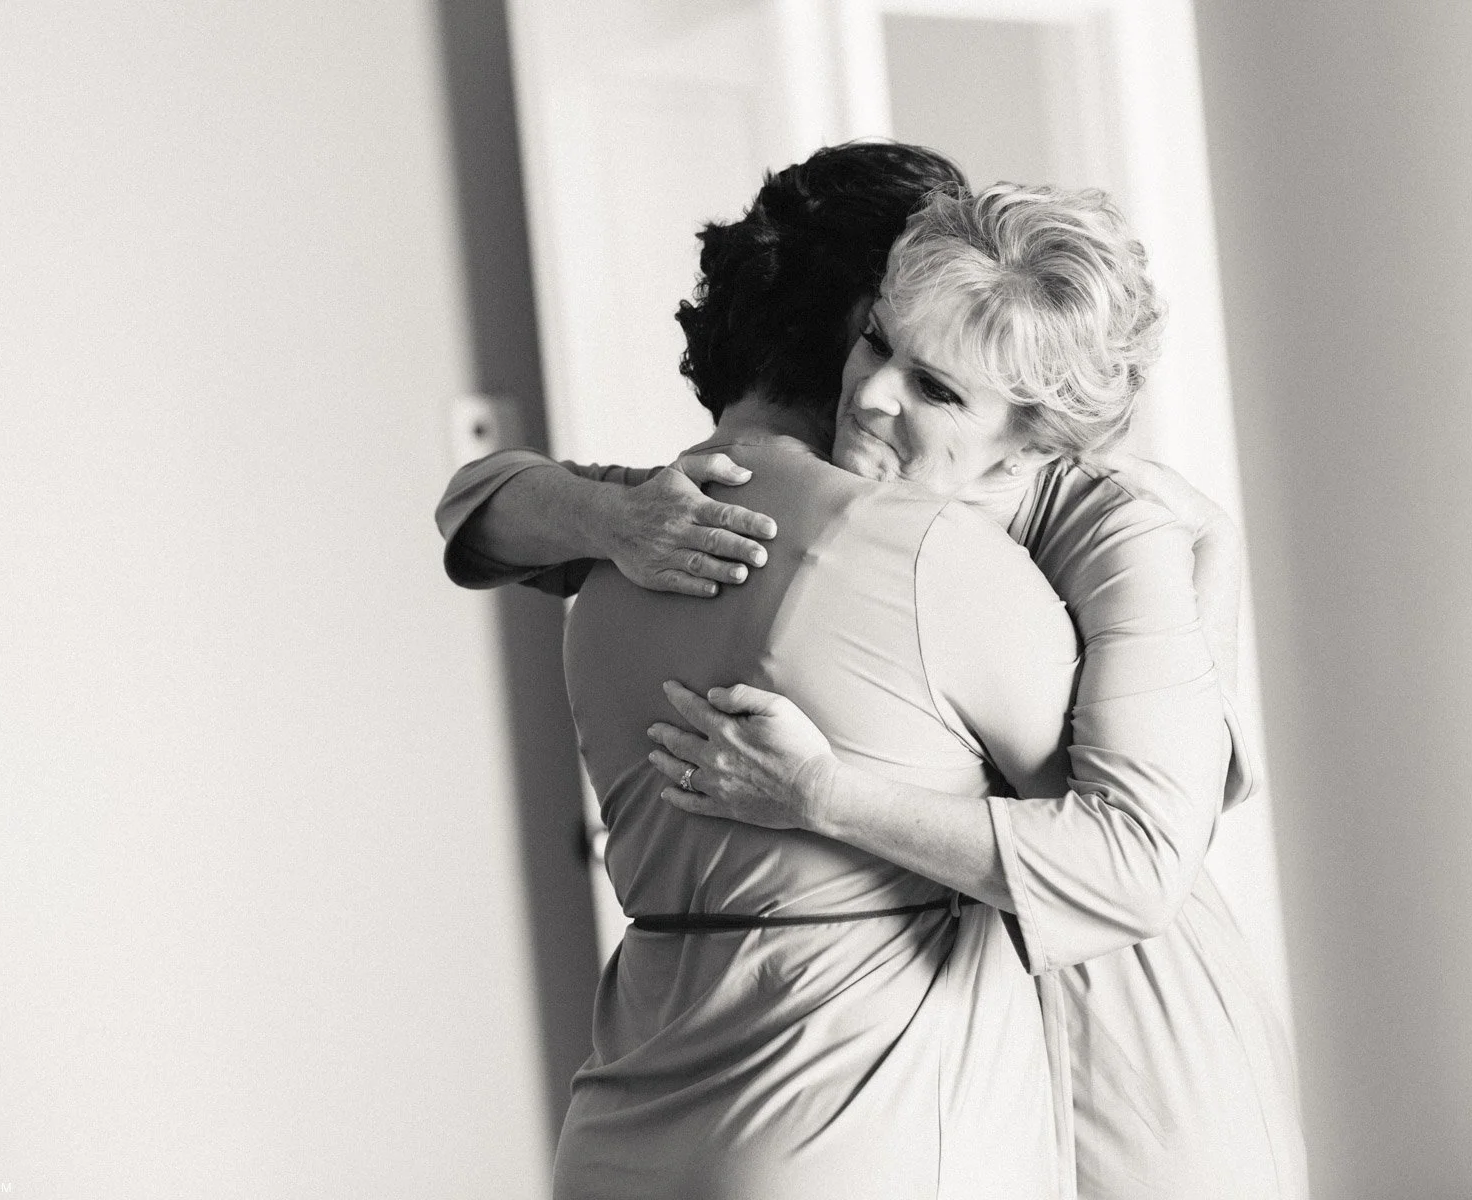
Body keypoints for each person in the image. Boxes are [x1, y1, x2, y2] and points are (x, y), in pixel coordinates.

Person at [438, 147, 1304, 1197]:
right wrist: (611, 517)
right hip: (955, 1014)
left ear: (1031, 442)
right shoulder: (758, 507)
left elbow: (1149, 844)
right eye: (878, 342)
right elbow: (479, 504)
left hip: (1126, 1018)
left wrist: (827, 795)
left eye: (934, 386)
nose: (874, 393)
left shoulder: (1110, 526)